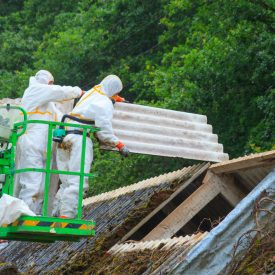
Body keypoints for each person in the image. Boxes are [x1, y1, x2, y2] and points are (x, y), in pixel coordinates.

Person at [53, 75, 130, 218]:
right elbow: (104, 131)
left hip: (64, 136)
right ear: (113, 91)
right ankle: (67, 217)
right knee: (78, 181)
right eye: (116, 93)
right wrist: (118, 144)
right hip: (79, 139)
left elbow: (93, 105)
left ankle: (55, 214)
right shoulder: (104, 102)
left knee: (66, 182)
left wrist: (115, 99)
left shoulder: (91, 93)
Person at [17, 70, 83, 214]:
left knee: (41, 188)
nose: (52, 86)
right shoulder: (34, 90)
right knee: (31, 185)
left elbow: (61, 118)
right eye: (51, 83)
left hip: (43, 148)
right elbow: (60, 92)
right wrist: (79, 92)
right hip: (31, 144)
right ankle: (24, 216)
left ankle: (34, 215)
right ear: (47, 82)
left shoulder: (48, 106)